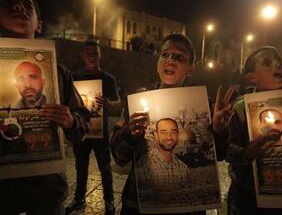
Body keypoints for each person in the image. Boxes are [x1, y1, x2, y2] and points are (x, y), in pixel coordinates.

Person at [111, 33, 235, 215]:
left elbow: (219, 155)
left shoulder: (204, 106)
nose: (170, 60)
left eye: (179, 57)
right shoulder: (137, 101)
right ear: (158, 63)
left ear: (191, 68)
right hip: (139, 206)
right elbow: (118, 156)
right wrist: (129, 134)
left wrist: (218, 130)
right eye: (165, 54)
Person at [0, 0, 90, 215]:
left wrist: (70, 121)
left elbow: (83, 123)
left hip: (47, 191)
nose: (18, 7)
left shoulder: (59, 74)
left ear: (38, 25)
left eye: (26, 5)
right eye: (9, 3)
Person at [227, 46, 282, 215]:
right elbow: (227, 151)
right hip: (246, 196)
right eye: (267, 62)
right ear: (252, 77)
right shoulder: (240, 109)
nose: (277, 64)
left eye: (278, 61)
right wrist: (246, 153)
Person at [65, 40, 120, 215]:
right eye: (88, 53)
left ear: (99, 55)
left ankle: (109, 201)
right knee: (80, 166)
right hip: (80, 129)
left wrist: (110, 103)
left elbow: (118, 102)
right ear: (82, 55)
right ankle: (79, 198)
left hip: (100, 130)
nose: (92, 56)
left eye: (95, 53)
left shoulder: (108, 79)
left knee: (105, 167)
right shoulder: (73, 77)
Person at [136, 118, 190, 188]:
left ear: (177, 135)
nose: (169, 137)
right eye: (163, 132)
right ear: (156, 135)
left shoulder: (183, 168)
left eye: (173, 132)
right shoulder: (143, 166)